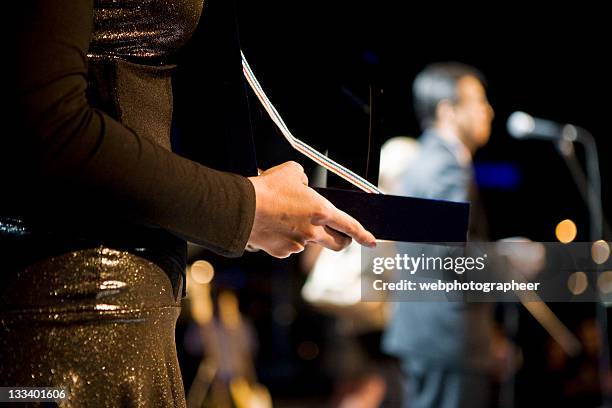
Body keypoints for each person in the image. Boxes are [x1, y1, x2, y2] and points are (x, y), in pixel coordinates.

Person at [1, 1, 375, 406]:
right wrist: (245, 207)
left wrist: (248, 199)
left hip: (125, 300)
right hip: (70, 306)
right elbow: (49, 124)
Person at [382, 62, 495, 408]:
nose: (487, 110)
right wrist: (509, 259)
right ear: (448, 111)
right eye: (477, 101)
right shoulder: (445, 165)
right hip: (446, 338)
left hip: (429, 335)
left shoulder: (427, 158)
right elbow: (446, 255)